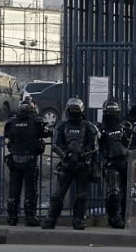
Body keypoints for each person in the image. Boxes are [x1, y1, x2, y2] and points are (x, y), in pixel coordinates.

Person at [41, 97, 99, 230]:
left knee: (81, 196)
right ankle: (51, 219)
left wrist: (82, 155)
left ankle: (79, 220)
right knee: (57, 195)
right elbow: (56, 144)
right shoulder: (61, 126)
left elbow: (94, 146)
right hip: (66, 164)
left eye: (76, 110)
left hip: (83, 164)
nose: (73, 112)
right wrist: (67, 154)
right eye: (72, 110)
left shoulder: (89, 126)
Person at [3, 97, 51, 226]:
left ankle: (12, 217)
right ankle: (30, 217)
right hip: (29, 160)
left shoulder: (11, 123)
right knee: (30, 190)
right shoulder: (36, 122)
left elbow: (7, 135)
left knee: (14, 189)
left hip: (14, 159)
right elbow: (48, 133)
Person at [98, 98, 132, 228]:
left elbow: (128, 144)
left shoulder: (124, 126)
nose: (112, 114)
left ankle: (124, 216)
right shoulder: (101, 129)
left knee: (128, 191)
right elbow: (97, 147)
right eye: (109, 112)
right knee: (114, 191)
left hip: (125, 161)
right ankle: (113, 217)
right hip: (111, 162)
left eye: (114, 112)